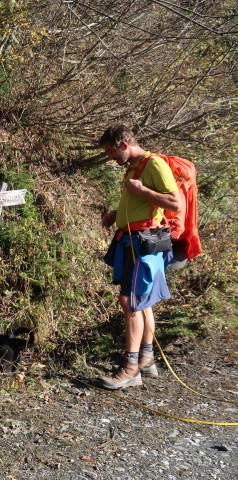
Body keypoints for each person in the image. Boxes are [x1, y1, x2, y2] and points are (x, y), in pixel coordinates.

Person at [98, 124, 181, 389]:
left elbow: (175, 202)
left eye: (111, 151)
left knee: (131, 301)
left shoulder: (153, 164)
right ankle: (146, 359)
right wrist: (116, 213)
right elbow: (138, 201)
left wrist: (142, 191)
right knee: (141, 301)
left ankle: (130, 369)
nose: (110, 157)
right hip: (132, 240)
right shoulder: (134, 167)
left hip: (144, 243)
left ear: (124, 144)